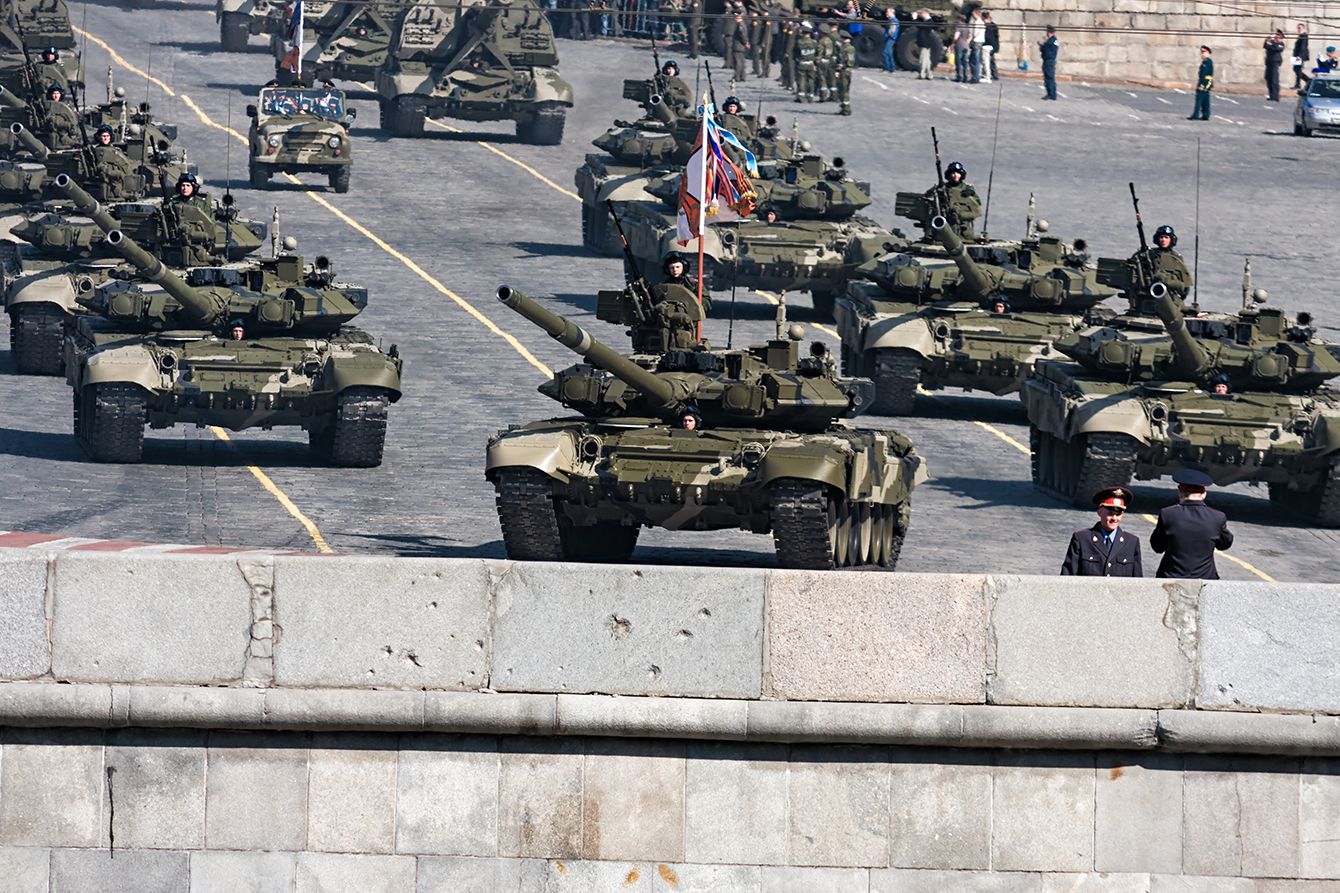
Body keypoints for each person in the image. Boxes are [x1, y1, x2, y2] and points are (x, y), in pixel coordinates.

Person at [1151, 468, 1233, 579]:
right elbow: (1224, 544)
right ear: (1203, 494)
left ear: (1180, 492)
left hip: (1171, 578)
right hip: (1205, 579)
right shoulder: (1217, 517)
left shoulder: (1168, 514)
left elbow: (1157, 547)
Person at [1060, 486, 1143, 577]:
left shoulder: (1131, 542)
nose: (1114, 518)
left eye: (1118, 514)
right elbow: (1068, 576)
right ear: (1099, 512)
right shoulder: (1082, 539)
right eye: (1110, 514)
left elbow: (1137, 580)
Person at [1129, 224, 1192, 304]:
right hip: (1147, 295)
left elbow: (1185, 284)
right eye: (1161, 237)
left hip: (1170, 298)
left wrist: (1166, 280)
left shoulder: (1176, 258)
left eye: (1166, 237)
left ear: (1171, 239)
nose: (1163, 240)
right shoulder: (1150, 254)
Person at [925, 161, 982, 240]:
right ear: (949, 175)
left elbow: (977, 206)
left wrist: (970, 194)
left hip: (963, 227)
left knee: (967, 239)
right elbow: (928, 196)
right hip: (945, 224)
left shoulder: (967, 188)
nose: (955, 175)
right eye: (953, 173)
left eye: (958, 173)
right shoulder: (943, 188)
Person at [794, 22, 818, 102]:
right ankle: (810, 96)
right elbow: (817, 53)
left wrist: (797, 59)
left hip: (802, 63)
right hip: (811, 63)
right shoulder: (814, 42)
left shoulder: (799, 42)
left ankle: (801, 96)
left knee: (802, 79)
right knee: (811, 79)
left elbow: (795, 52)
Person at [1189, 45, 1213, 120]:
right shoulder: (1205, 62)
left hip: (1204, 83)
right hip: (1205, 83)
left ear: (1208, 53)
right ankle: (1206, 115)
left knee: (1199, 100)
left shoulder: (1207, 62)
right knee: (1205, 100)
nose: (1202, 54)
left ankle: (1196, 115)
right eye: (1201, 52)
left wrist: (1203, 84)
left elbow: (1206, 75)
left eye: (1204, 52)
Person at [834, 30, 855, 116]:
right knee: (842, 89)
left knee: (844, 89)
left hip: (845, 71)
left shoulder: (849, 48)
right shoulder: (843, 47)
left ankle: (846, 109)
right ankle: (844, 107)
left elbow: (850, 61)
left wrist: (841, 67)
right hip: (844, 70)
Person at [815, 23, 835, 101]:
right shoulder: (830, 41)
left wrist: (817, 61)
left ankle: (823, 96)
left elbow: (820, 52)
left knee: (822, 79)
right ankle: (833, 95)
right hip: (829, 60)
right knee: (830, 78)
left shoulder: (821, 41)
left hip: (822, 61)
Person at [1264, 29, 1286, 101]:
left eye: (1278, 36)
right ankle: (1271, 95)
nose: (1276, 37)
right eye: (1276, 35)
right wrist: (1269, 41)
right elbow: (1265, 45)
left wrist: (1271, 44)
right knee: (1268, 78)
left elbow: (1276, 49)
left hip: (1275, 62)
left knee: (1274, 80)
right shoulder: (1271, 42)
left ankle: (1275, 96)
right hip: (1269, 62)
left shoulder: (1281, 44)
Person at [1039, 25, 1059, 100]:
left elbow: (1045, 49)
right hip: (1049, 60)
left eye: (1047, 32)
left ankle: (1051, 94)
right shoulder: (1053, 40)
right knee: (1049, 77)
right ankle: (1052, 94)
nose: (1046, 33)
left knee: (1049, 77)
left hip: (1049, 61)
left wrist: (1042, 46)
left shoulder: (1051, 41)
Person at [730, 13, 751, 82]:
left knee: (737, 62)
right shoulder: (742, 25)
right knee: (741, 61)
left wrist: (745, 43)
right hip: (740, 46)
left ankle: (737, 77)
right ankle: (742, 76)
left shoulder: (740, 26)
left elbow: (742, 35)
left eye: (737, 18)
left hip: (738, 46)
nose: (735, 19)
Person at [915, 10, 936, 80]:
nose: (920, 15)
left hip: (925, 43)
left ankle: (922, 74)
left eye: (921, 14)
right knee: (927, 60)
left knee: (923, 59)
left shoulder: (929, 22)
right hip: (924, 43)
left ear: (925, 13)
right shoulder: (926, 21)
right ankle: (929, 74)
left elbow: (919, 25)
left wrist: (914, 18)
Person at [953, 15, 971, 82]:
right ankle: (965, 77)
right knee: (965, 62)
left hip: (959, 45)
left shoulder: (959, 26)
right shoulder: (966, 26)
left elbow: (956, 37)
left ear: (959, 19)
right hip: (965, 45)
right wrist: (967, 42)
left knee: (958, 61)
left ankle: (959, 77)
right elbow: (970, 36)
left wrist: (953, 43)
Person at [969, 8, 985, 83]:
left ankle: (975, 77)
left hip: (977, 41)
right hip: (980, 41)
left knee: (975, 60)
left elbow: (975, 33)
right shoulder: (981, 22)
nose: (973, 16)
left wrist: (971, 40)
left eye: (973, 14)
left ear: (976, 14)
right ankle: (976, 76)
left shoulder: (978, 22)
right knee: (976, 60)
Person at [982, 11, 999, 82]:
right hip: (993, 45)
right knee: (991, 60)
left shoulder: (988, 26)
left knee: (987, 61)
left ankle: (990, 74)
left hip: (989, 45)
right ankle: (994, 74)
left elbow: (988, 37)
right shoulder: (993, 25)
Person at [882, 8, 899, 74]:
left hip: (890, 38)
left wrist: (886, 36)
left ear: (892, 13)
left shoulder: (894, 21)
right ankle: (892, 69)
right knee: (889, 53)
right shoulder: (890, 20)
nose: (886, 13)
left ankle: (887, 68)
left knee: (885, 52)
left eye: (888, 12)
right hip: (890, 38)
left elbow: (892, 31)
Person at [1293, 23, 1310, 88]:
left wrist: (1300, 56)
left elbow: (1303, 46)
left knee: (1297, 69)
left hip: (1300, 56)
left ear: (1303, 28)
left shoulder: (1304, 35)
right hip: (1298, 55)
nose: (1298, 29)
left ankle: (1308, 80)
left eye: (1299, 28)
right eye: (1298, 28)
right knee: (1297, 69)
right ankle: (1298, 84)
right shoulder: (1300, 35)